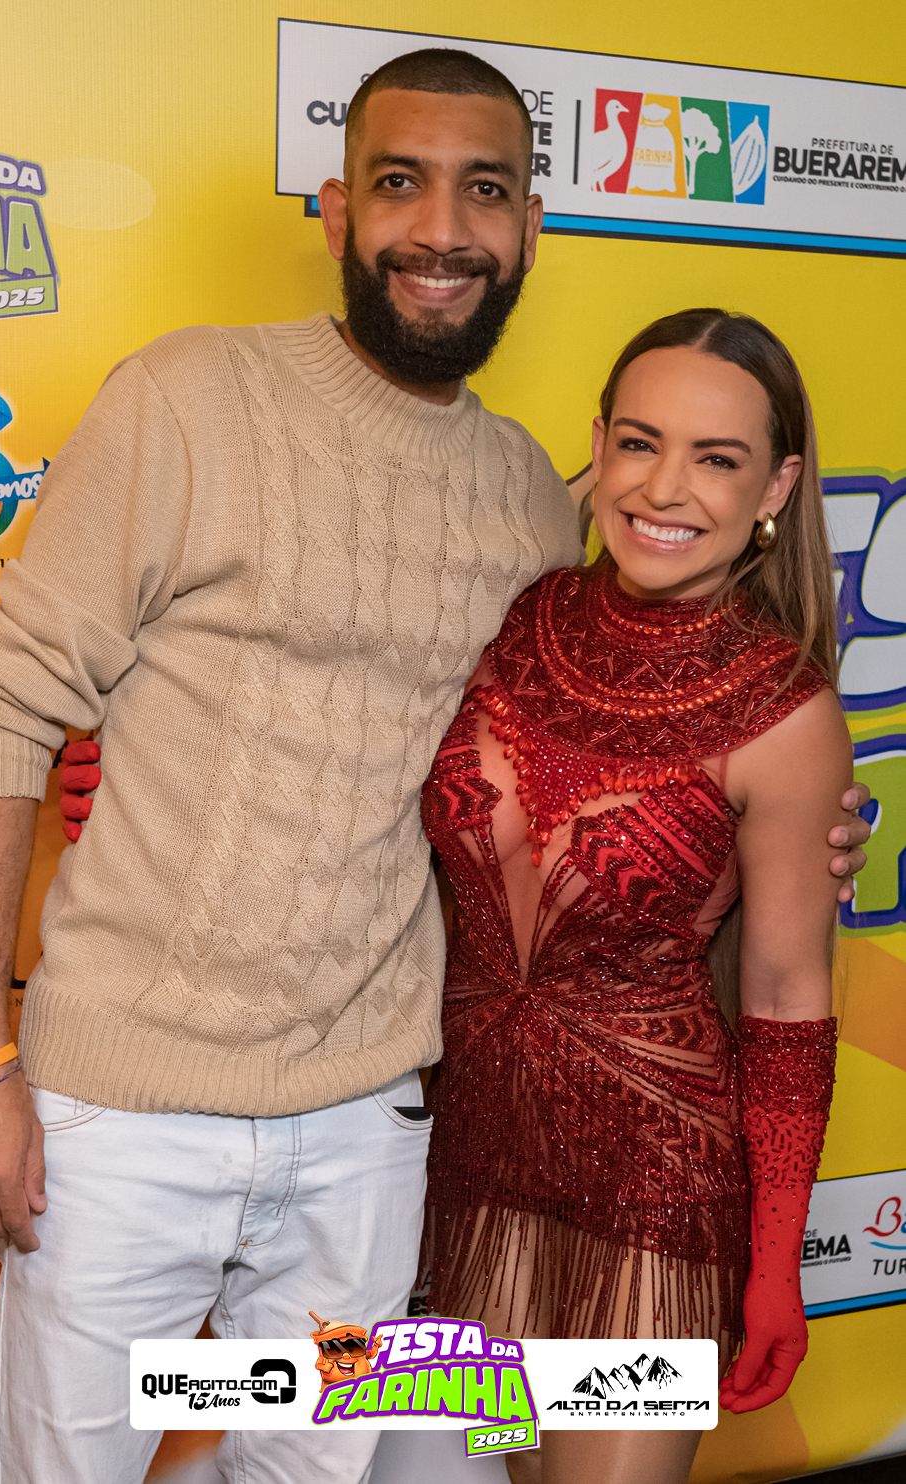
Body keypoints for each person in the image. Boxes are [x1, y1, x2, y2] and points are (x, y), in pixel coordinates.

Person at [0, 48, 867, 1484]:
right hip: (137, 1120)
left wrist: (802, 830)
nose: (441, 229)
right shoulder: (189, 398)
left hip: (389, 1143)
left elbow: (651, 794)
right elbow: (15, 704)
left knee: (311, 1468)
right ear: (336, 210)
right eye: (399, 183)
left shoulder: (526, 498)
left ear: (529, 230)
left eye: (482, 191)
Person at [419, 307, 851, 1484]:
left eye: (715, 458)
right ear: (597, 443)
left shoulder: (785, 709)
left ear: (775, 486)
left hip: (653, 1191)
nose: (664, 488)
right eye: (638, 442)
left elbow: (785, 996)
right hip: (464, 1164)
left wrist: (775, 1262)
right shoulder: (511, 617)